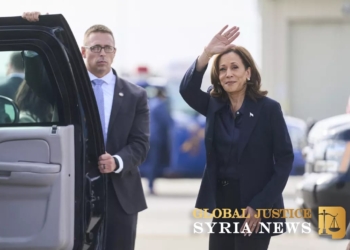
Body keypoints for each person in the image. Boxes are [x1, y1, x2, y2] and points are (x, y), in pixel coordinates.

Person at [22, 12, 150, 250]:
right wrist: (33, 33)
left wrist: (117, 161)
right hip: (77, 187)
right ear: (83, 51)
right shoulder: (68, 89)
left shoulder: (135, 95)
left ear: (114, 52)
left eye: (108, 48)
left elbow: (140, 144)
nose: (102, 53)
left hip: (121, 192)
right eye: (96, 47)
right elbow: (37, 81)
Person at [179, 25, 294, 250]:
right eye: (222, 69)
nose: (228, 73)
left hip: (256, 205)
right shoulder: (214, 106)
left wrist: (260, 205)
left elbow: (284, 160)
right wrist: (206, 54)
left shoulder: (268, 109)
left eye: (234, 67)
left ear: (248, 73)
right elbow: (187, 90)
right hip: (223, 205)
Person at [146, 87, 173, 194]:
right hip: (156, 137)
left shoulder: (150, 103)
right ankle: (151, 185)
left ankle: (149, 183)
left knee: (148, 161)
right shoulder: (161, 105)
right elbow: (167, 121)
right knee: (154, 161)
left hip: (147, 136)